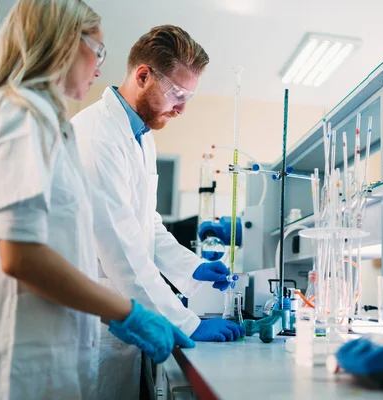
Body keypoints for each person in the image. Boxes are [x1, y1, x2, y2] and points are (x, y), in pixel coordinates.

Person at [0, 2, 194, 399]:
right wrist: (127, 311)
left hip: (59, 346)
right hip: (21, 357)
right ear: (60, 41)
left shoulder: (48, 122)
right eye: (98, 49)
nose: (99, 65)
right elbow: (20, 255)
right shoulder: (18, 114)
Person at [71, 24, 244, 398]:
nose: (182, 108)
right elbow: (121, 248)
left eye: (189, 97)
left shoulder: (141, 137)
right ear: (143, 75)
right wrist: (189, 323)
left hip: (123, 317)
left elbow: (145, 224)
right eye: (177, 93)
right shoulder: (97, 135)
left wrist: (191, 268)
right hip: (93, 327)